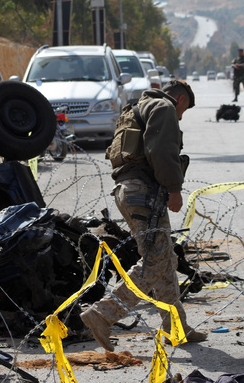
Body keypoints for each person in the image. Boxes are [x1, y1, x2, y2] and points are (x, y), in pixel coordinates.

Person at [80, 80, 207, 351]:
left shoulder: (136, 108)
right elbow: (161, 151)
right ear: (181, 99)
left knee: (165, 258)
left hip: (130, 190)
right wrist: (174, 189)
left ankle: (175, 324)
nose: (181, 116)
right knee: (154, 261)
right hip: (144, 192)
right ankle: (102, 314)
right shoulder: (164, 107)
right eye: (184, 111)